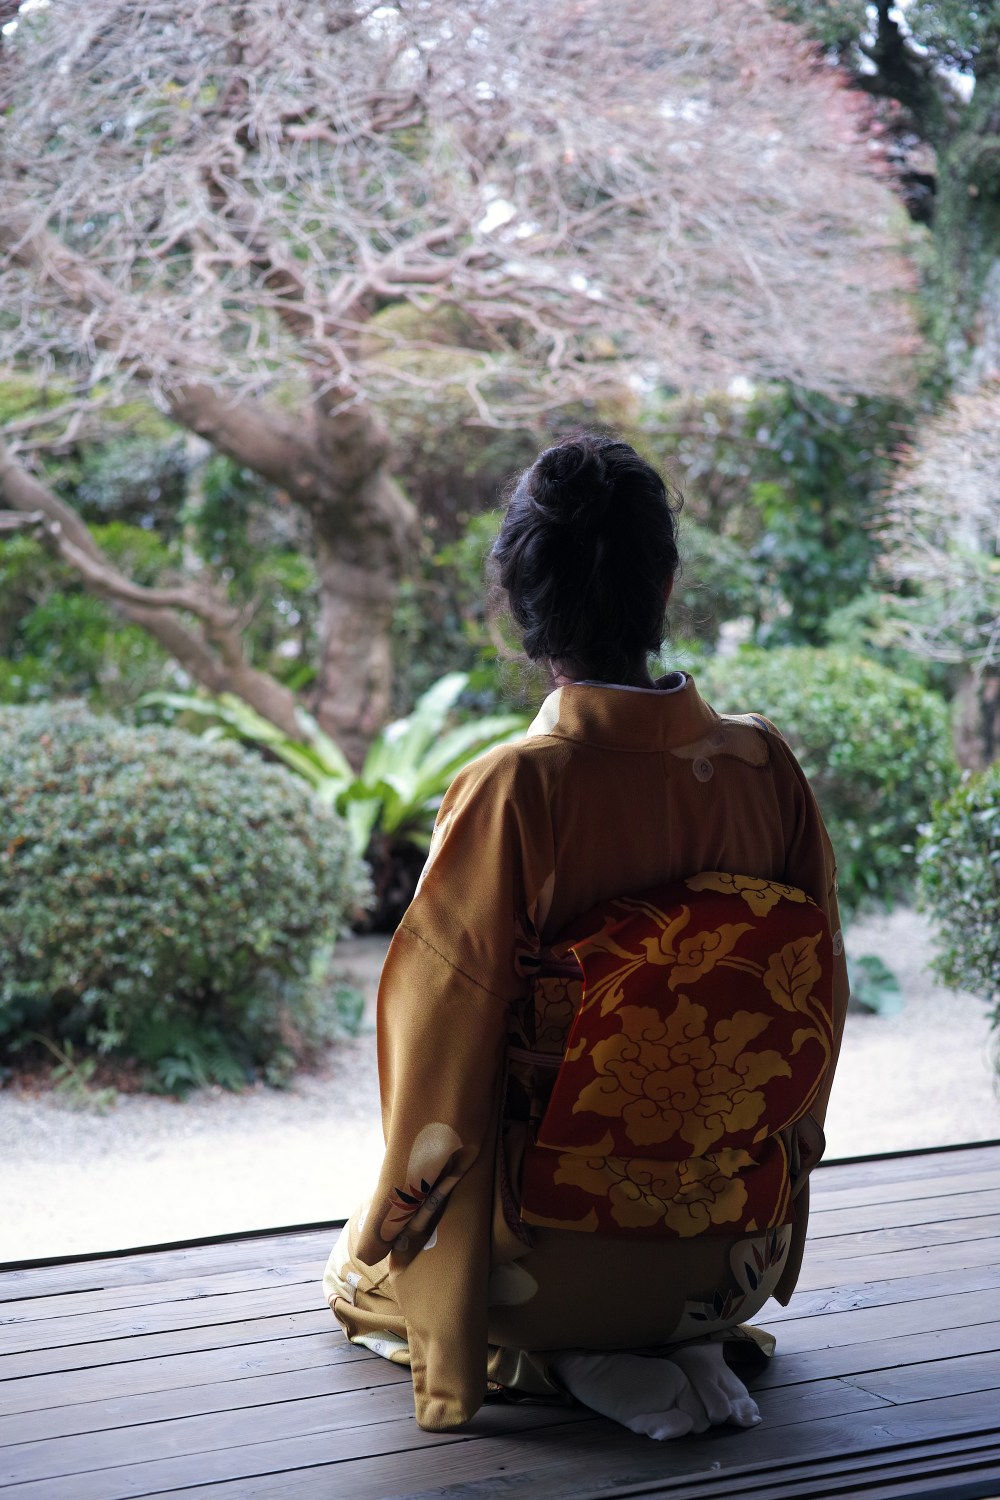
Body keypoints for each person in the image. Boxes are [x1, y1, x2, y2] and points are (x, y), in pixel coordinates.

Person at [324, 435, 849, 1439]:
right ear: (662, 586)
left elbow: (439, 1067)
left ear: (520, 602)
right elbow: (813, 1002)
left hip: (554, 1255)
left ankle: (575, 1349)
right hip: (731, 1244)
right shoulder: (762, 769)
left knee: (355, 1271)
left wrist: (404, 1218)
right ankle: (679, 1332)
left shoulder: (516, 788)